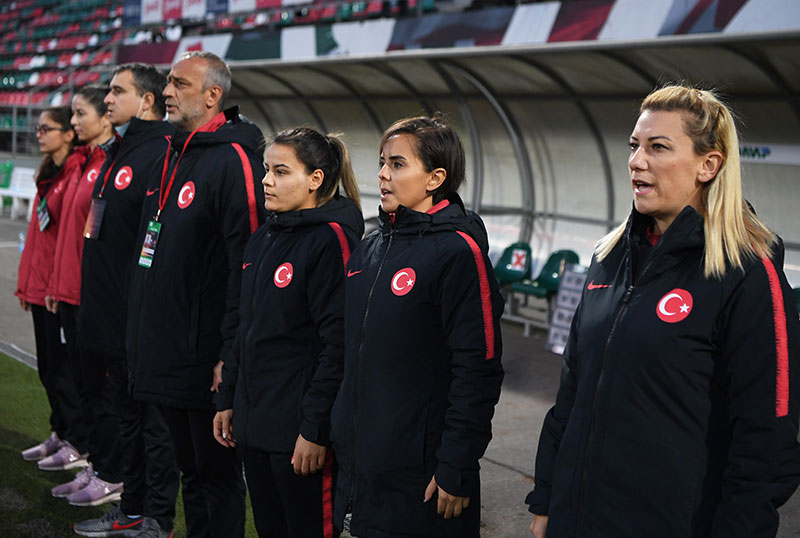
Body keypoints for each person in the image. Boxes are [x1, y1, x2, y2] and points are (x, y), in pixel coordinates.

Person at [525, 85, 800, 538]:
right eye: (634, 146)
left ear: (708, 165)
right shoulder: (607, 257)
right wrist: (548, 496)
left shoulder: (747, 272)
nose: (636, 160)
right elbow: (572, 396)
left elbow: (766, 442)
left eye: (658, 147)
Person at [331, 115, 504, 538]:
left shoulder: (458, 252)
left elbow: (477, 369)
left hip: (421, 477)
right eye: (382, 162)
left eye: (397, 164)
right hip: (364, 466)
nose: (383, 175)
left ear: (435, 178)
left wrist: (455, 466)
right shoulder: (372, 246)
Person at [126, 51, 265, 538]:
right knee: (192, 474)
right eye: (168, 82)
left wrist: (229, 353)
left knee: (217, 477)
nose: (167, 91)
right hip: (166, 352)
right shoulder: (171, 152)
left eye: (180, 84)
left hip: (206, 359)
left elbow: (244, 266)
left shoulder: (233, 159)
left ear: (213, 96)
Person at [212, 127, 363, 538]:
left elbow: (340, 345)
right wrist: (229, 398)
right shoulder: (265, 236)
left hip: (299, 435)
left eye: (281, 171)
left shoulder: (332, 240)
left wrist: (314, 429)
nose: (266, 180)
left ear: (315, 180)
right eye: (266, 170)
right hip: (254, 424)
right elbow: (246, 326)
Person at [70, 63, 180, 538]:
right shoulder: (121, 149)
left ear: (147, 101)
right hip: (107, 316)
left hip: (132, 322)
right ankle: (130, 510)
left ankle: (151, 517)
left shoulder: (156, 152)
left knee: (149, 428)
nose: (108, 98)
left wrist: (135, 311)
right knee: (124, 419)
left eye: (118, 91)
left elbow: (152, 242)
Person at [37, 85, 118, 484]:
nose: (74, 122)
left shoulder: (109, 164)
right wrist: (54, 283)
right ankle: (90, 460)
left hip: (90, 297)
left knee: (98, 393)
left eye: (80, 113)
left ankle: (102, 467)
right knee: (79, 384)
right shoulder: (82, 162)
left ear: (105, 116)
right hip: (67, 292)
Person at [16, 106, 85, 464]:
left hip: (57, 291)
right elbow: (38, 237)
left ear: (68, 134)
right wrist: (25, 285)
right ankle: (61, 432)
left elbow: (67, 241)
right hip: (40, 288)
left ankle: (78, 442)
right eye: (38, 127)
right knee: (48, 370)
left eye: (47, 127)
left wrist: (55, 285)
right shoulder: (49, 173)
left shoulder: (75, 173)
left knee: (63, 372)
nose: (39, 133)